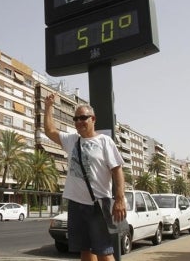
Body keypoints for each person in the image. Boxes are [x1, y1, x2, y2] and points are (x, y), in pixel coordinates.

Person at [44, 93, 126, 261]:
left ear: (93, 119)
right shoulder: (72, 140)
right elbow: (49, 131)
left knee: (104, 251)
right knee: (85, 250)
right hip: (76, 204)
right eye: (76, 119)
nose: (79, 122)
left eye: (83, 117)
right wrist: (48, 107)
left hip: (97, 204)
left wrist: (119, 199)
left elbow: (117, 171)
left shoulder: (104, 141)